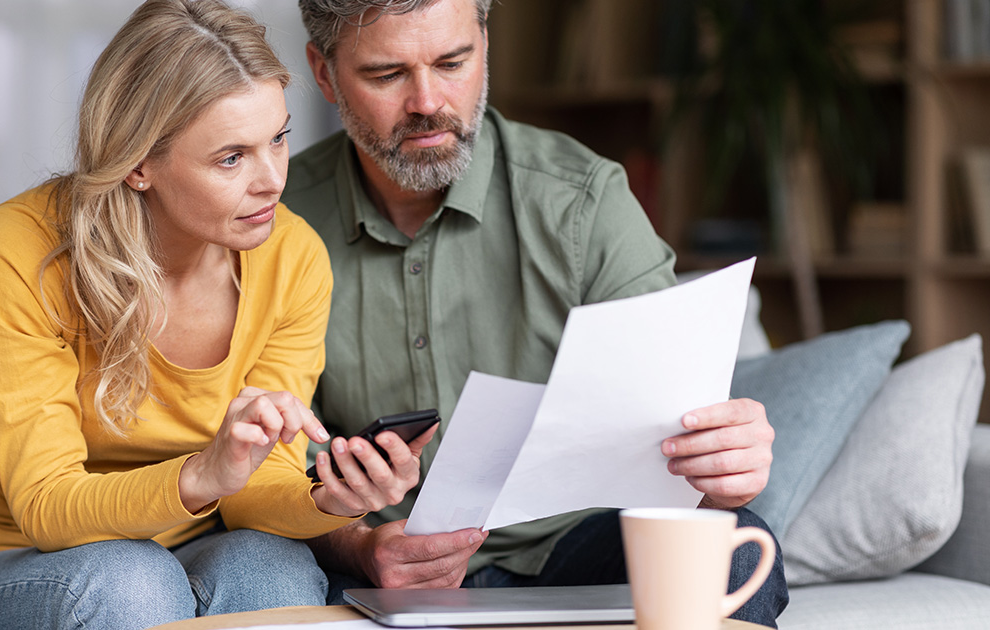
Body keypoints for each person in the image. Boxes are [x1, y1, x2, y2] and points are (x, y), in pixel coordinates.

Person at [0, 2, 429, 629]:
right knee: (133, 582)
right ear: (138, 164)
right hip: (6, 564)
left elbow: (259, 491)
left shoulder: (294, 256)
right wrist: (206, 473)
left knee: (276, 571)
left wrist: (332, 500)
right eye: (232, 158)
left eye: (279, 139)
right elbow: (44, 505)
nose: (272, 181)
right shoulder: (24, 247)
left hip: (183, 555)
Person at [283, 0, 789, 627]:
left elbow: (676, 444)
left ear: (485, 44)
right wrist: (354, 544)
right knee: (263, 573)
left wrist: (720, 476)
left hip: (569, 542)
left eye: (452, 61)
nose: (427, 101)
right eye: (387, 74)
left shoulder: (583, 200)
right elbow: (251, 466)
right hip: (362, 555)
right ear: (325, 74)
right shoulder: (271, 220)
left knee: (734, 549)